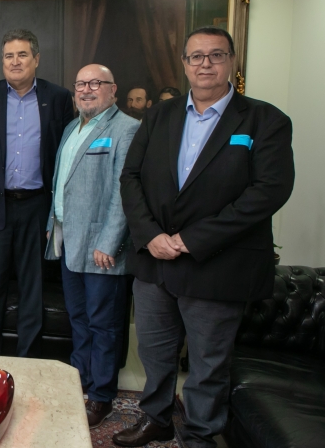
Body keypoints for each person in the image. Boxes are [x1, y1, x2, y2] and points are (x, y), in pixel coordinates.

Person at [116, 27, 294, 448]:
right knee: (155, 354)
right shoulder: (159, 115)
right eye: (196, 56)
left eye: (216, 55)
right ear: (184, 63)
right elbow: (131, 178)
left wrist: (191, 239)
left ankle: (200, 435)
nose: (205, 64)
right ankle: (156, 418)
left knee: (208, 363)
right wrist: (151, 235)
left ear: (232, 61)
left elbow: (268, 191)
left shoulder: (265, 120)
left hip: (217, 263)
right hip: (155, 259)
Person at [0, 29, 73, 357]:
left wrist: (56, 212)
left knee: (32, 288)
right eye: (9, 56)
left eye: (22, 55)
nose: (15, 62)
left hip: (38, 207)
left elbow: (64, 155)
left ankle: (28, 358)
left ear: (36, 59)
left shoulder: (58, 98)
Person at [46, 64, 139, 428]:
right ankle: (79, 380)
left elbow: (124, 193)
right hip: (70, 241)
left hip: (102, 247)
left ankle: (101, 395)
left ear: (113, 89)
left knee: (104, 324)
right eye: (81, 84)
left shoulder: (127, 130)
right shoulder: (73, 127)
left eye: (95, 83)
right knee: (79, 319)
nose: (86, 89)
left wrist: (110, 242)